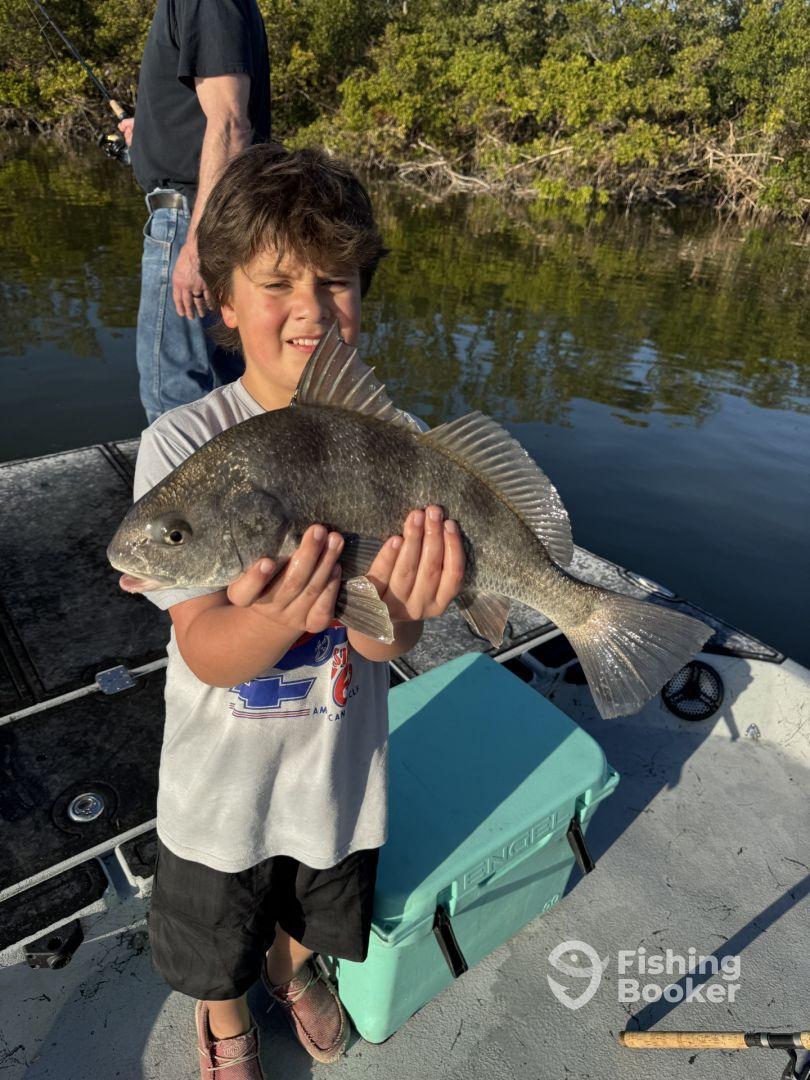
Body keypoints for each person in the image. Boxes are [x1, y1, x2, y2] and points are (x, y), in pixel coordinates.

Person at [130, 145, 466, 1079]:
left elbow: (384, 638)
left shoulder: (397, 443)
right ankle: (228, 1017)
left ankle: (295, 969)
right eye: (277, 282)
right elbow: (205, 647)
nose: (312, 308)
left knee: (312, 908)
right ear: (224, 302)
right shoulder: (185, 448)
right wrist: (278, 619)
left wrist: (402, 608)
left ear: (363, 296)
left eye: (337, 281)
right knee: (213, 941)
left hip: (336, 781)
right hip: (217, 796)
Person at [118, 0, 272, 423]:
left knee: (174, 398)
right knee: (227, 393)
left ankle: (183, 491)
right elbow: (210, 116)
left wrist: (199, 243)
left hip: (192, 221)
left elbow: (230, 124)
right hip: (202, 215)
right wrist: (148, 134)